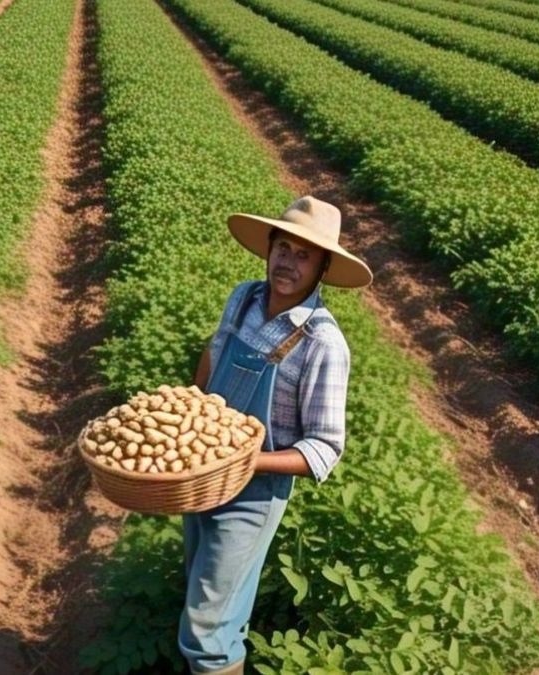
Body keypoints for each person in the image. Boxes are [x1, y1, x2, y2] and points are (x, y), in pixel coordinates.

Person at [179, 196, 373, 674]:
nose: (289, 261)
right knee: (210, 602)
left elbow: (325, 448)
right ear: (268, 249)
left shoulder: (323, 343)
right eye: (283, 247)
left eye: (304, 255)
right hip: (203, 473)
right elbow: (215, 350)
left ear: (323, 268)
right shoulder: (245, 297)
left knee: (207, 626)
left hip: (254, 492)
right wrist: (187, 414)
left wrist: (245, 461)